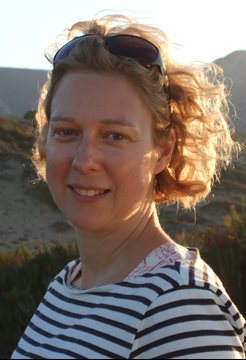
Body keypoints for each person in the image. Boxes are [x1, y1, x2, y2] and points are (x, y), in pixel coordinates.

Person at [12, 14, 245, 359]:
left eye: (115, 136)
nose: (84, 159)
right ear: (46, 140)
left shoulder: (179, 307)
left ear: (162, 150)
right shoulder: (67, 284)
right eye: (67, 131)